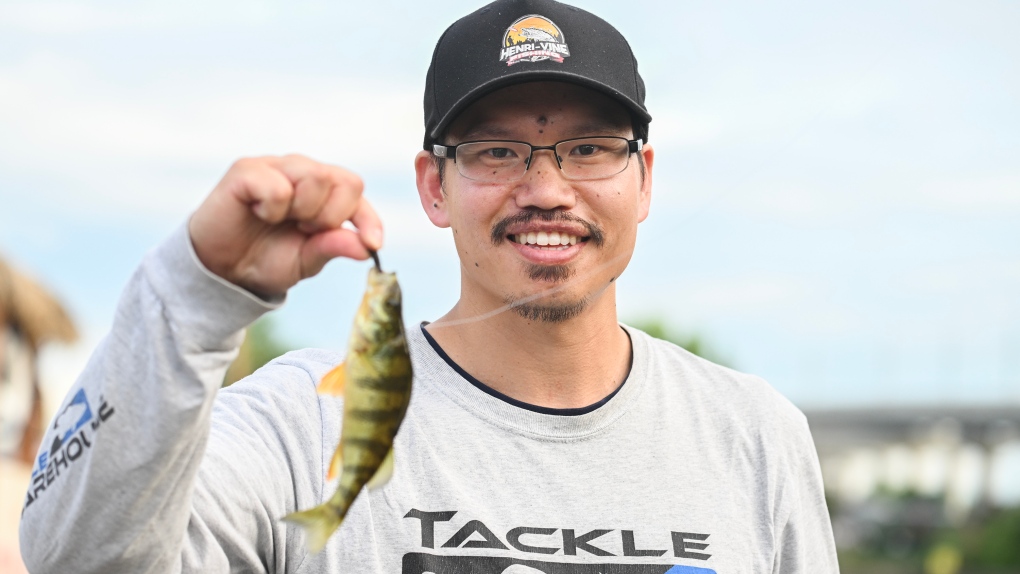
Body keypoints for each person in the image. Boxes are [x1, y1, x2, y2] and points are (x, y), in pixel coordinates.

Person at [19, 0, 839, 572]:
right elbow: (76, 558)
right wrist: (192, 294)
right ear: (433, 187)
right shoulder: (296, 425)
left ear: (644, 180)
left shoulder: (755, 435)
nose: (548, 188)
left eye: (590, 148)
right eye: (496, 151)